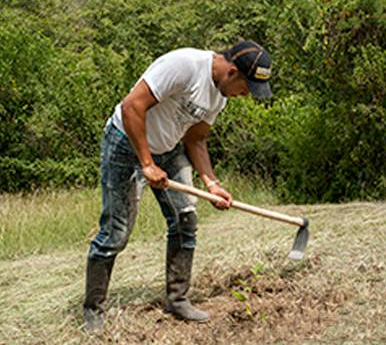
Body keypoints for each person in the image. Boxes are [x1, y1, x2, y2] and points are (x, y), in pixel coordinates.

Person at [83, 40, 272, 332]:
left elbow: (195, 139)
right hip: (125, 143)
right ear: (232, 71)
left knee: (186, 219)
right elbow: (132, 105)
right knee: (116, 232)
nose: (244, 96)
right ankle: (93, 309)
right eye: (246, 88)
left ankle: (177, 299)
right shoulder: (183, 66)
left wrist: (212, 183)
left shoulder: (219, 97)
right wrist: (146, 163)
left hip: (168, 150)